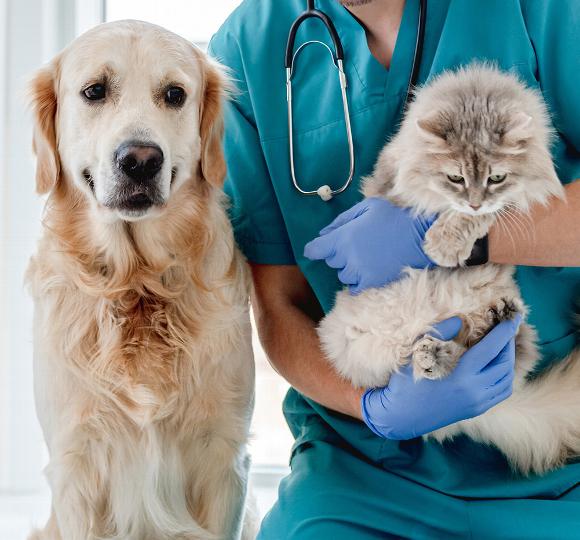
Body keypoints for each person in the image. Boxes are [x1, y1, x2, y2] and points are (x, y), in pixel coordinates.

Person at [208, 0, 580, 537]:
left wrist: (465, 239)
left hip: (560, 456)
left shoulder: (541, 12)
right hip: (364, 462)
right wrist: (378, 409)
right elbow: (277, 305)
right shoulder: (251, 46)